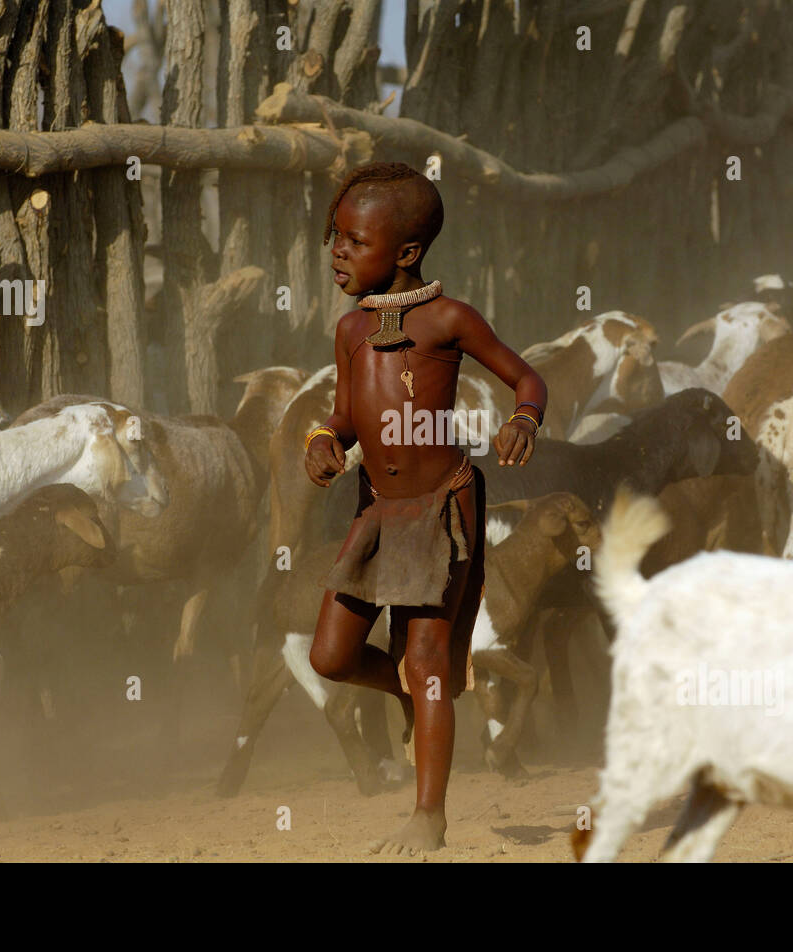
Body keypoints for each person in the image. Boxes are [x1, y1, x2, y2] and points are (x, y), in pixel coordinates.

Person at [305, 162, 547, 854]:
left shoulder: (450, 319)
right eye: (334, 238)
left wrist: (524, 418)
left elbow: (525, 376)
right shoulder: (352, 332)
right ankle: (416, 695)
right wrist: (323, 442)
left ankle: (429, 815)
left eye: (353, 240)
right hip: (378, 511)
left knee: (429, 656)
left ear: (406, 252)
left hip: (442, 509)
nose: (337, 253)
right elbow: (345, 419)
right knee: (330, 655)